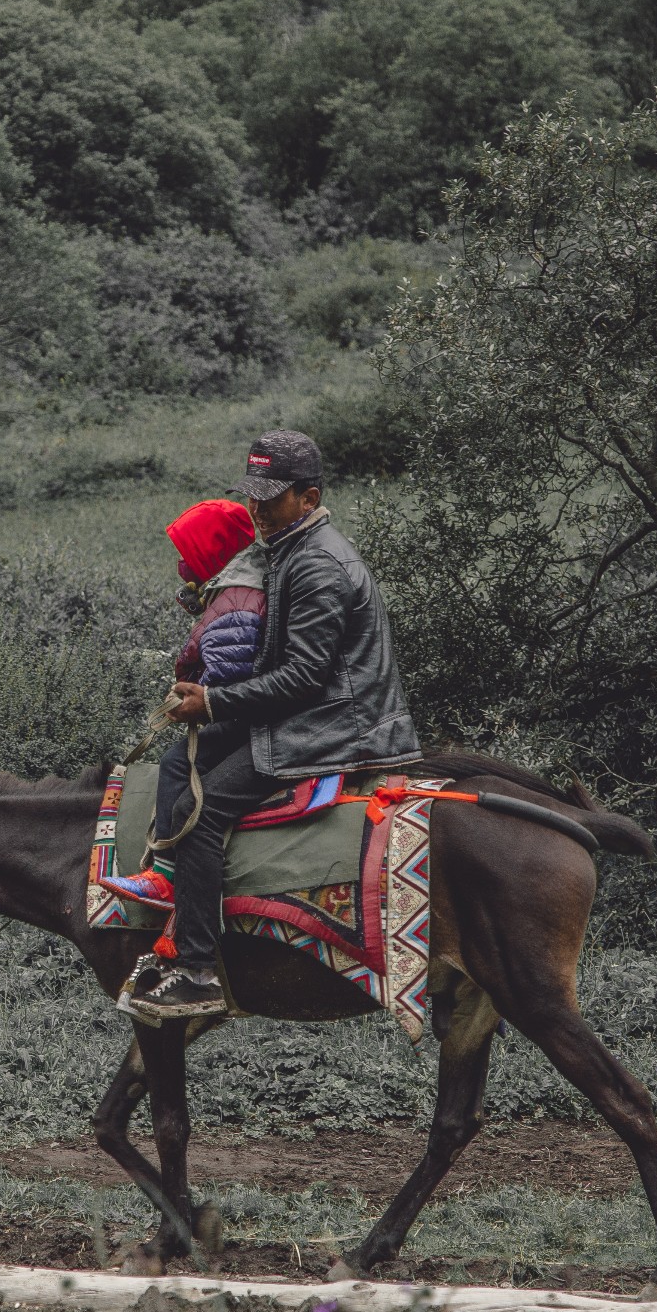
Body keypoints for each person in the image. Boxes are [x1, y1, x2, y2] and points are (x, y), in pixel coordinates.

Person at [129, 429, 421, 1020]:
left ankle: (198, 969)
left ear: (308, 498)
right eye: (252, 495)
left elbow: (305, 679)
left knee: (201, 815)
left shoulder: (318, 567)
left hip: (337, 725)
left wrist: (212, 703)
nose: (256, 507)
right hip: (308, 715)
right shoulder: (292, 549)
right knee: (185, 765)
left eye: (271, 496)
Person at [102, 498, 267, 906]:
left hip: (238, 715)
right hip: (244, 708)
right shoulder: (238, 589)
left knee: (179, 764)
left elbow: (231, 672)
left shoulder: (237, 600)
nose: (181, 566)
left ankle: (165, 873)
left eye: (186, 555)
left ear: (211, 553)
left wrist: (193, 697)